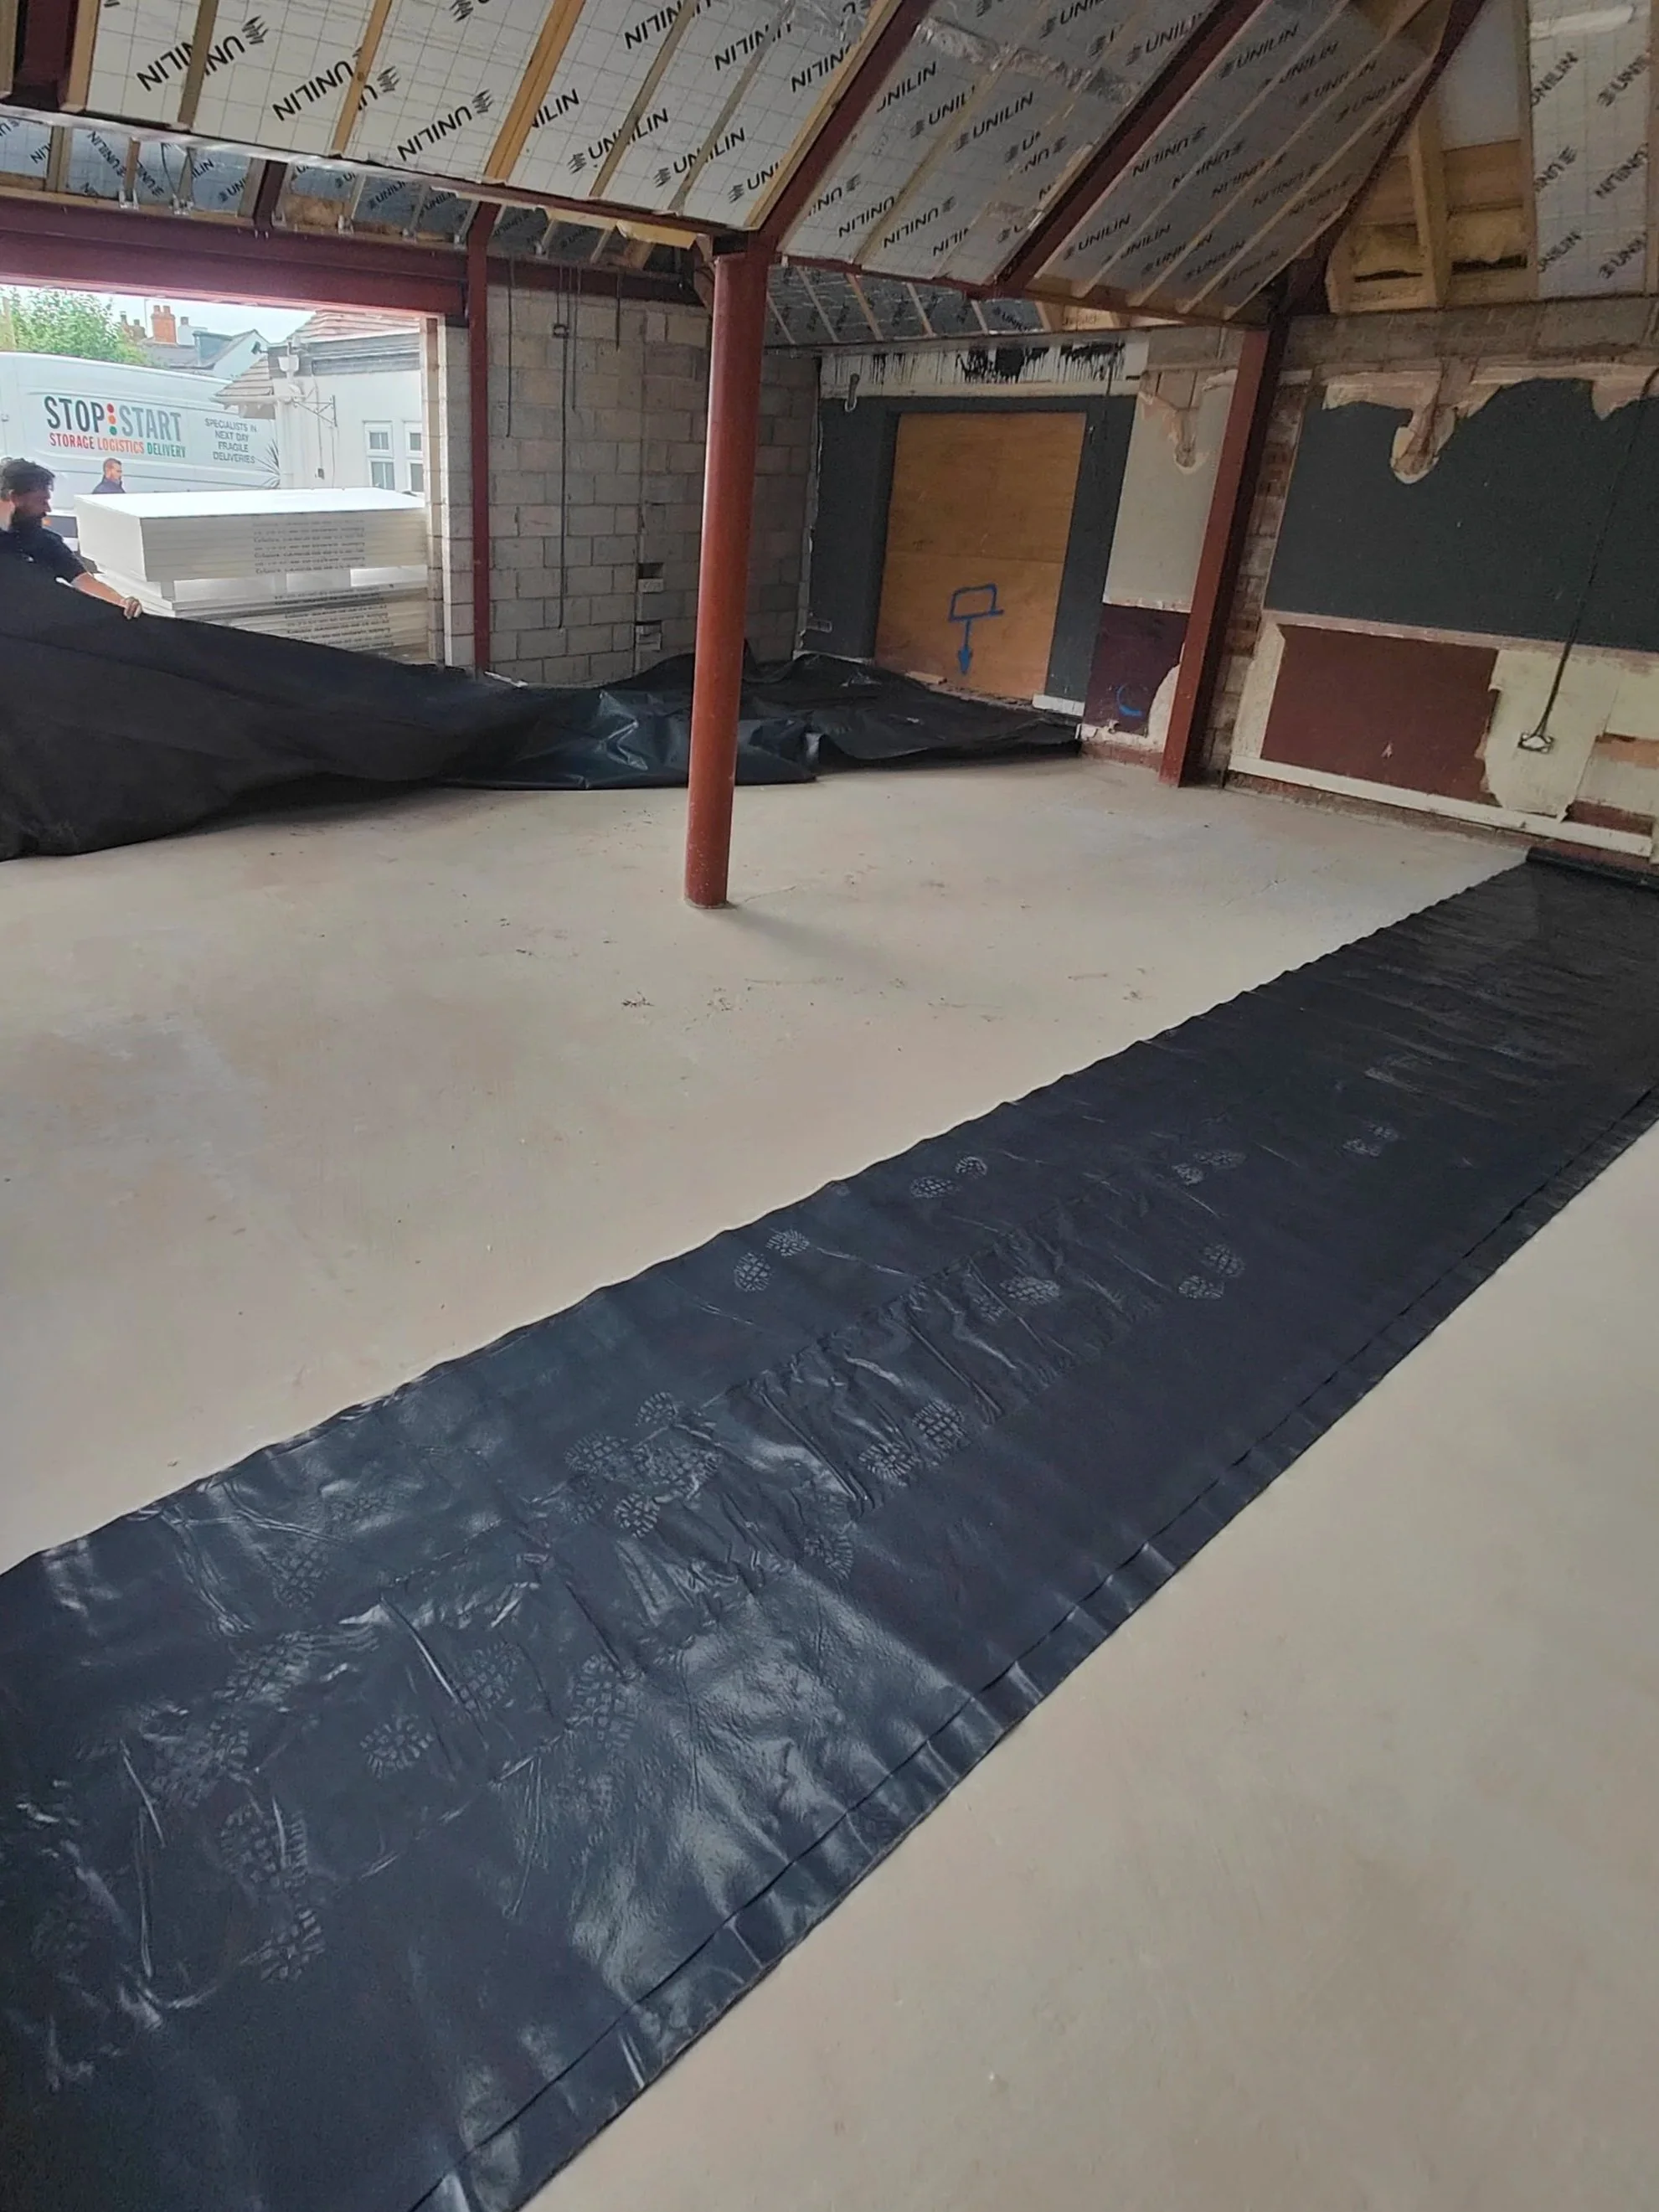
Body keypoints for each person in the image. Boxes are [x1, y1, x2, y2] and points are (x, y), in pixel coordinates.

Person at [0, 458, 142, 616]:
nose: (48, 509)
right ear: (14, 498)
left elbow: (83, 580)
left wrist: (121, 602)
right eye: (42, 501)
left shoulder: (45, 542)